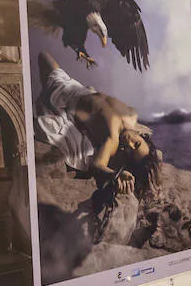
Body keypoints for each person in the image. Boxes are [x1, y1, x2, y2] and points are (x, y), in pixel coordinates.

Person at [33, 51, 161, 198]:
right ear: (142, 135)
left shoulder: (112, 138)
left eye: (129, 152)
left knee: (44, 58)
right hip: (77, 89)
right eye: (137, 144)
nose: (129, 144)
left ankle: (45, 102)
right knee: (43, 55)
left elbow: (98, 165)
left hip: (65, 98)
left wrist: (115, 174)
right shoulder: (132, 117)